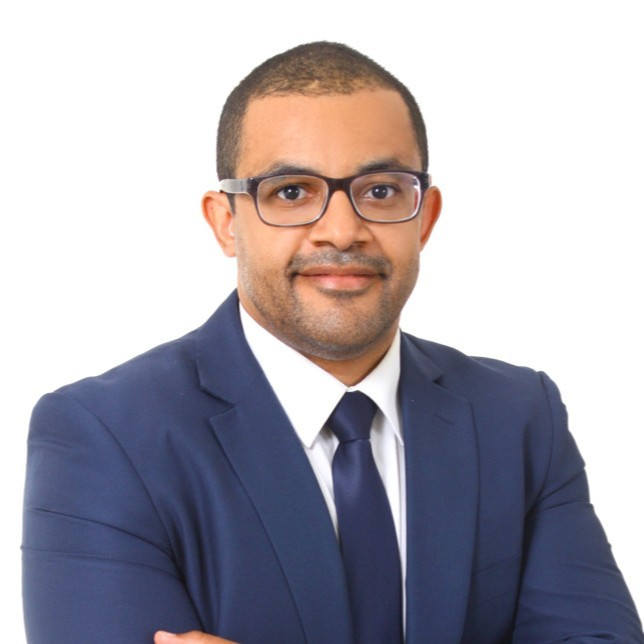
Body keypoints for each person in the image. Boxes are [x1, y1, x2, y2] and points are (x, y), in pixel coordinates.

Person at [22, 42, 643, 644]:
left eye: (381, 191)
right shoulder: (103, 435)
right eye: (291, 192)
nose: (342, 230)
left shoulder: (519, 416)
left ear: (425, 217)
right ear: (226, 222)